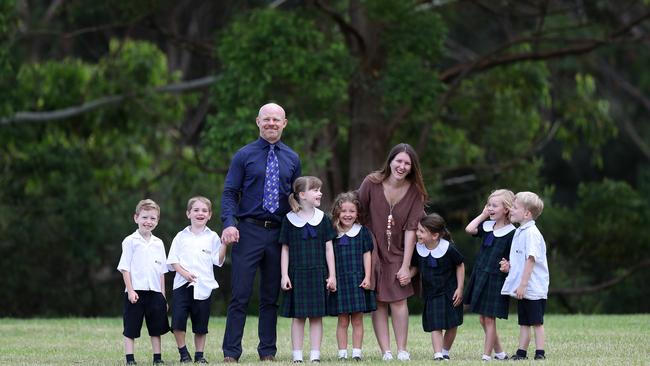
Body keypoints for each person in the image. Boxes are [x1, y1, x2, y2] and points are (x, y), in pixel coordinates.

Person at [221, 102, 301, 362]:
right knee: (240, 295)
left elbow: (295, 197)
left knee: (270, 297)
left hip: (278, 234)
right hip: (248, 231)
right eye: (266, 119)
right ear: (258, 122)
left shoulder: (292, 158)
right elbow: (230, 193)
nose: (271, 124)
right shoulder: (243, 155)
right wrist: (229, 223)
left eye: (276, 120)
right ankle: (231, 353)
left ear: (284, 123)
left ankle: (267, 352)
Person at [358, 143, 427, 361]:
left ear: (412, 166)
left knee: (398, 300)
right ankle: (386, 351)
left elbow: (411, 229)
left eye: (407, 163)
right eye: (399, 161)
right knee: (378, 301)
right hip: (372, 249)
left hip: (399, 250)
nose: (402, 166)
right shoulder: (371, 182)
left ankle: (402, 349)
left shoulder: (415, 190)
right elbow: (357, 212)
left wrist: (406, 265)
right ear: (390, 161)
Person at [279, 176, 337, 363]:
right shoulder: (289, 220)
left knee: (316, 317)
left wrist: (332, 275)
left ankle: (315, 355)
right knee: (298, 317)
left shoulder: (324, 219)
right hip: (297, 275)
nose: (320, 193)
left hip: (318, 273)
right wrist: (284, 275)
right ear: (302, 194)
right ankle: (297, 356)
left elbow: (329, 248)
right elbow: (285, 249)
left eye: (320, 189)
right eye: (315, 190)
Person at [167, 196, 227, 363]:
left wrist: (224, 244)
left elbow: (219, 260)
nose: (200, 213)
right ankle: (183, 353)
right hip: (182, 285)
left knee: (201, 325)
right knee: (178, 322)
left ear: (209, 215)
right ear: (188, 214)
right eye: (196, 210)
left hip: (203, 286)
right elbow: (172, 261)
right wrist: (184, 273)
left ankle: (199, 355)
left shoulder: (213, 237)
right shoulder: (181, 237)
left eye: (204, 211)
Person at [464, 189, 516, 361]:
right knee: (482, 319)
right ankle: (500, 354)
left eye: (495, 206)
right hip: (481, 275)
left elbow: (516, 257)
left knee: (489, 319)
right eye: (489, 205)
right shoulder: (487, 227)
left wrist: (509, 265)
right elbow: (469, 228)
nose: (490, 208)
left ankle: (486, 356)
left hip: (495, 278)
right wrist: (483, 214)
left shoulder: (512, 232)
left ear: (506, 209)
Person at [117, 199, 170, 365]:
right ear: (136, 218)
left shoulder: (159, 243)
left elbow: (161, 271)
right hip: (136, 292)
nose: (148, 222)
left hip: (154, 292)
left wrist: (163, 296)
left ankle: (157, 358)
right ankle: (130, 359)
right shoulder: (130, 241)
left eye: (153, 218)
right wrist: (130, 290)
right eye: (145, 217)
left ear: (157, 221)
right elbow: (125, 268)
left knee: (156, 328)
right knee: (131, 327)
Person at [500, 191, 549, 361]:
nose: (510, 210)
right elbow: (520, 260)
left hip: (533, 287)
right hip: (524, 286)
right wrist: (510, 267)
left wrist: (522, 284)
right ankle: (521, 352)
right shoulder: (520, 232)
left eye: (514, 207)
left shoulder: (531, 233)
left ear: (527, 213)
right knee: (524, 322)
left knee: (536, 322)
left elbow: (530, 260)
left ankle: (540, 353)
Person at [329, 191, 377, 361]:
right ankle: (342, 353)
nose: (348, 215)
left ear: (357, 213)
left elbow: (367, 254)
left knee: (357, 320)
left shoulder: (362, 232)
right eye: (344, 211)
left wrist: (368, 277)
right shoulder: (332, 232)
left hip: (358, 280)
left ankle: (356, 353)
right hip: (340, 281)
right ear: (337, 212)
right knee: (342, 321)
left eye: (351, 211)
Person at [411, 213, 465, 361]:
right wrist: (407, 276)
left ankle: (445, 351)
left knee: (452, 325)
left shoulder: (448, 249)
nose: (417, 233)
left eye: (421, 231)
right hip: (432, 294)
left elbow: (460, 265)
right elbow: (415, 267)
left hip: (451, 292)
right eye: (418, 230)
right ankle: (438, 354)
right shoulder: (418, 249)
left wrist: (460, 288)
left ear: (434, 235)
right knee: (436, 325)